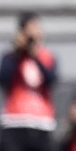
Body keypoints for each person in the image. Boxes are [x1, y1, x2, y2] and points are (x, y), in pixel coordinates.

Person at [0, 11, 58, 151]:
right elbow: (3, 79)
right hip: (15, 122)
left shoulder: (47, 56)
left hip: (42, 123)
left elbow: (51, 80)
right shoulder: (10, 57)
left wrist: (34, 55)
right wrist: (18, 52)